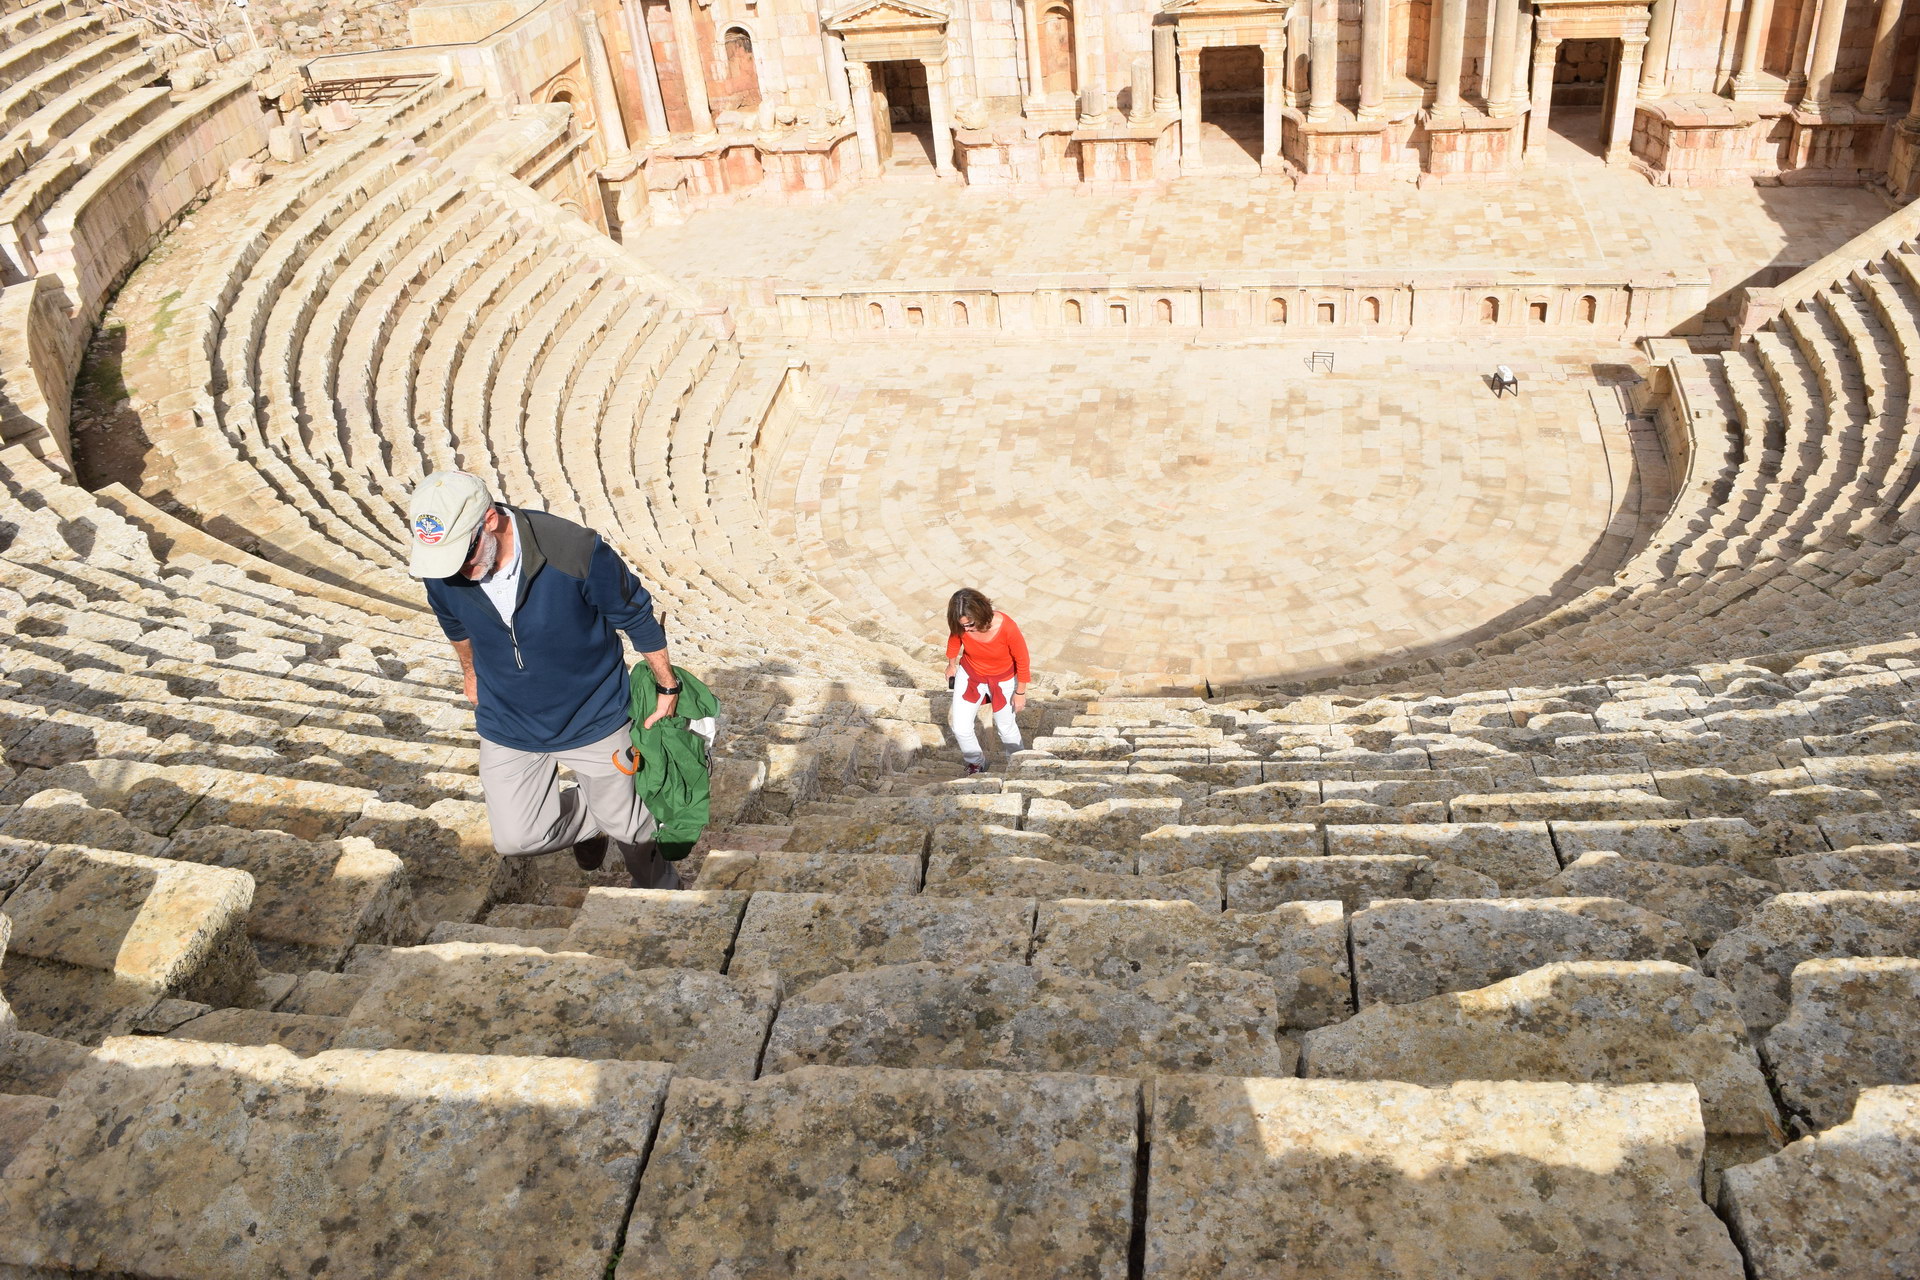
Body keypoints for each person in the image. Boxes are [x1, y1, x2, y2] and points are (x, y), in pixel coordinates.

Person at [406, 471, 682, 890]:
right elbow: (453, 624)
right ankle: (593, 822)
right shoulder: (442, 563)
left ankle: (664, 892)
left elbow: (634, 615)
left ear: (490, 519)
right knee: (518, 838)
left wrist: (667, 685)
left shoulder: (573, 550)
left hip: (594, 714)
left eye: (465, 552)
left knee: (634, 832)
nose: (457, 570)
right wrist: (470, 673)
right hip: (508, 720)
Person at [944, 588, 1030, 775]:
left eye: (970, 625)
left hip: (1003, 680)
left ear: (981, 612)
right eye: (962, 626)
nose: (966, 630)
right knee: (960, 727)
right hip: (971, 675)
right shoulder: (961, 626)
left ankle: (1018, 763)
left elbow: (1022, 660)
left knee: (1006, 727)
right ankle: (975, 762)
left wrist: (1020, 692)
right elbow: (954, 639)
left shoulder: (1007, 627)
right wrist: (951, 663)